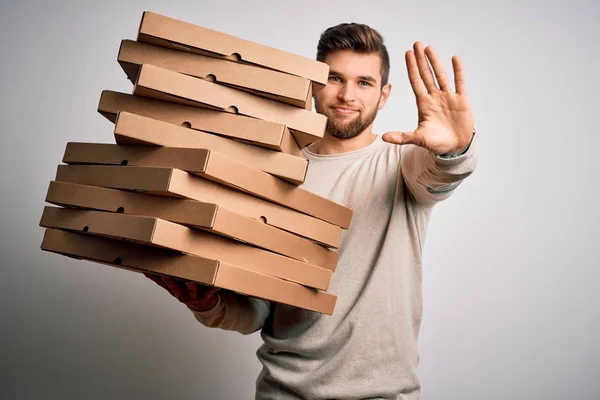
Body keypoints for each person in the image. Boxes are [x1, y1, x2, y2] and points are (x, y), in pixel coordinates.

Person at [144, 22, 479, 400]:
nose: (347, 94)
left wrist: (454, 150)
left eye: (364, 82)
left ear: (384, 95)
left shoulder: (403, 164)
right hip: (284, 392)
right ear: (315, 82)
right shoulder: (275, 176)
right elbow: (258, 309)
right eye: (335, 78)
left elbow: (441, 173)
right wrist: (209, 304)